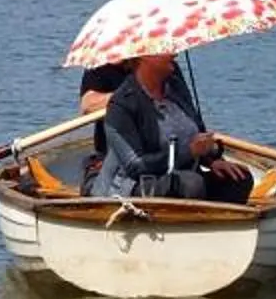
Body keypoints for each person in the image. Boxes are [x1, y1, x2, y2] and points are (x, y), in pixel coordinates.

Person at [90, 51, 255, 201]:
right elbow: (136, 166)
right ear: (145, 57)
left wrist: (212, 159)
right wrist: (188, 152)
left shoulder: (175, 87)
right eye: (165, 49)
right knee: (191, 184)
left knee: (240, 178)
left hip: (183, 175)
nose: (175, 53)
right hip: (136, 185)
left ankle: (218, 227)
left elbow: (197, 133)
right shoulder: (121, 104)